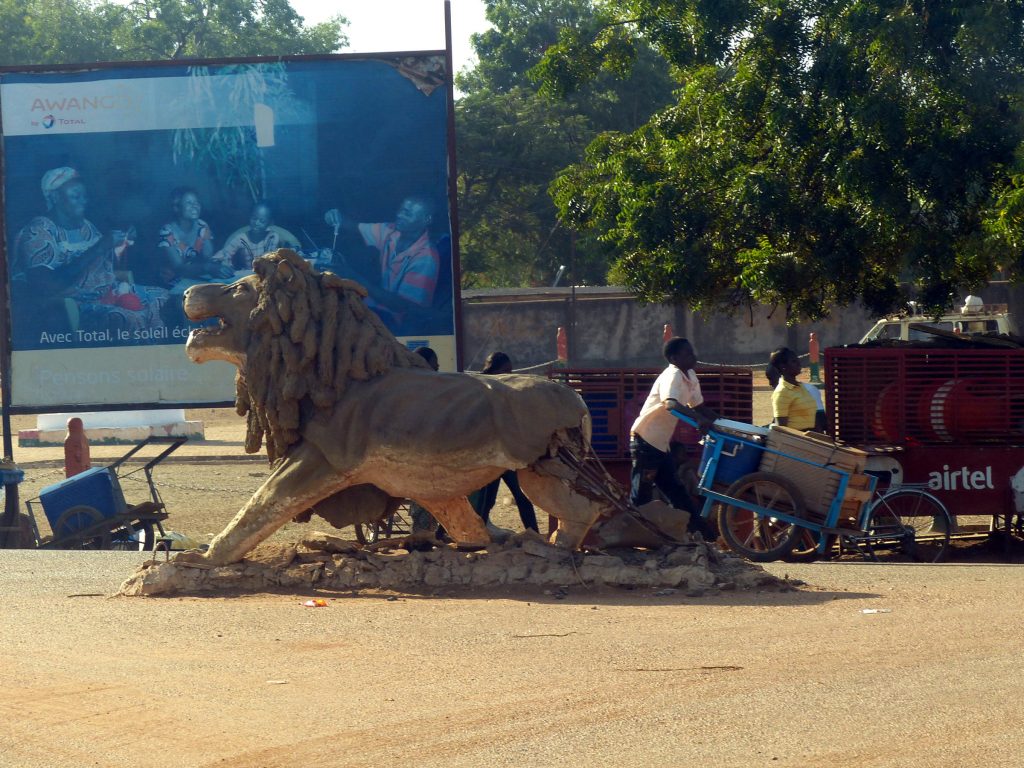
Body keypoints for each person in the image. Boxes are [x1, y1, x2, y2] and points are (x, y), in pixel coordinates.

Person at [12, 167, 167, 339]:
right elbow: (47, 285)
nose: (83, 201)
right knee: (130, 319)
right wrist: (101, 246)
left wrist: (122, 243)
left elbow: (107, 267)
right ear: (55, 197)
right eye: (75, 196)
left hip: (109, 293)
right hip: (74, 305)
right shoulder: (38, 232)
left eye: (84, 196)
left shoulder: (85, 227)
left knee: (164, 297)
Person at [629, 336, 718, 539]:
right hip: (646, 440)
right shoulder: (673, 375)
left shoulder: (690, 375)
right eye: (687, 353)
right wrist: (699, 420)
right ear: (674, 358)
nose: (693, 356)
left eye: (692, 351)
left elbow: (699, 407)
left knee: (676, 491)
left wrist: (723, 423)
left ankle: (704, 536)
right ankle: (633, 535)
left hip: (660, 445)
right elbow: (671, 404)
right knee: (641, 493)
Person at [323, 197, 440, 325]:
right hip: (375, 308)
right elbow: (354, 227)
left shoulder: (426, 258)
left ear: (426, 220)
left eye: (407, 213)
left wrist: (351, 276)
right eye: (400, 210)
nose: (399, 215)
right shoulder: (391, 231)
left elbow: (401, 306)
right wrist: (335, 217)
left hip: (394, 323)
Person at [474, 352, 540, 537]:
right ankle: (474, 534)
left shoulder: (506, 392)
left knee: (522, 496)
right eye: (505, 371)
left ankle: (533, 534)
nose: (510, 374)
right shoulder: (481, 391)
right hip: (491, 456)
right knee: (487, 500)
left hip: (507, 455)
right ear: (493, 371)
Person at [155, 187, 232, 286]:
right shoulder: (167, 232)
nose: (195, 206)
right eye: (189, 203)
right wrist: (207, 268)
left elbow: (209, 258)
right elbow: (178, 268)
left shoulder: (202, 226)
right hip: (171, 282)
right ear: (177, 208)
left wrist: (220, 266)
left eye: (197, 202)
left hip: (195, 278)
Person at [409, 346, 441, 534]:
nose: (437, 371)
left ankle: (428, 532)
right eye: (434, 367)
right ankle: (423, 535)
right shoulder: (421, 389)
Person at [767, 347, 823, 432]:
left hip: (812, 439)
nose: (799, 363)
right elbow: (781, 429)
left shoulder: (801, 387)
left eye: (797, 360)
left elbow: (812, 418)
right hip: (797, 441)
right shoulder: (782, 392)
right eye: (793, 361)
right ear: (783, 367)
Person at [213, 201, 281, 270]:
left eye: (262, 221)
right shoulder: (241, 238)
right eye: (254, 218)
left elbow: (273, 261)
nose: (256, 223)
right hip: (246, 275)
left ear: (270, 223)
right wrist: (217, 266)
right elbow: (223, 254)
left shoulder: (272, 237)